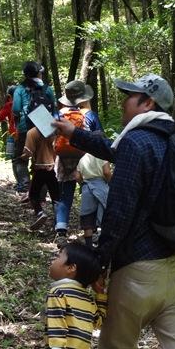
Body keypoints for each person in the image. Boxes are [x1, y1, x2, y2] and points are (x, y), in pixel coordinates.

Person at [52, 74, 175, 349]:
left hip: (139, 271)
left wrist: (99, 265)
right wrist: (72, 132)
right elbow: (112, 148)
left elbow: (119, 211)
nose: (123, 101)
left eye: (131, 96)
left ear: (147, 104)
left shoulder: (138, 142)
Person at [54, 80, 97, 244]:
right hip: (86, 158)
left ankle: (61, 231)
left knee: (65, 195)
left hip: (64, 158)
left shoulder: (59, 114)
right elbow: (99, 136)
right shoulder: (89, 115)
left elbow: (49, 133)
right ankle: (91, 229)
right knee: (90, 192)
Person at [12, 61, 56, 194]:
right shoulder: (47, 89)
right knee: (42, 161)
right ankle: (41, 193)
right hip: (45, 127)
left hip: (25, 127)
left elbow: (16, 109)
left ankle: (24, 186)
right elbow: (53, 108)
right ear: (38, 73)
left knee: (20, 157)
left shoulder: (19, 89)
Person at [22, 125, 61, 231]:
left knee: (33, 194)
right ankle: (59, 223)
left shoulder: (32, 132)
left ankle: (40, 213)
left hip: (39, 168)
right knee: (56, 197)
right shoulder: (56, 130)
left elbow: (28, 152)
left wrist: (23, 157)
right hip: (54, 167)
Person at [75, 145, 111, 247]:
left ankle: (89, 247)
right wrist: (110, 183)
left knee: (88, 218)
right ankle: (103, 245)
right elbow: (107, 172)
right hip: (101, 187)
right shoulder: (102, 157)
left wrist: (83, 184)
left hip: (87, 188)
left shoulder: (83, 159)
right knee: (104, 215)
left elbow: (77, 176)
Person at [0, 86, 18, 179]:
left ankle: (20, 183)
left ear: (9, 95)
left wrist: (7, 119)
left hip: (13, 135)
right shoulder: (26, 103)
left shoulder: (9, 105)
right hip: (27, 134)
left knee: (14, 159)